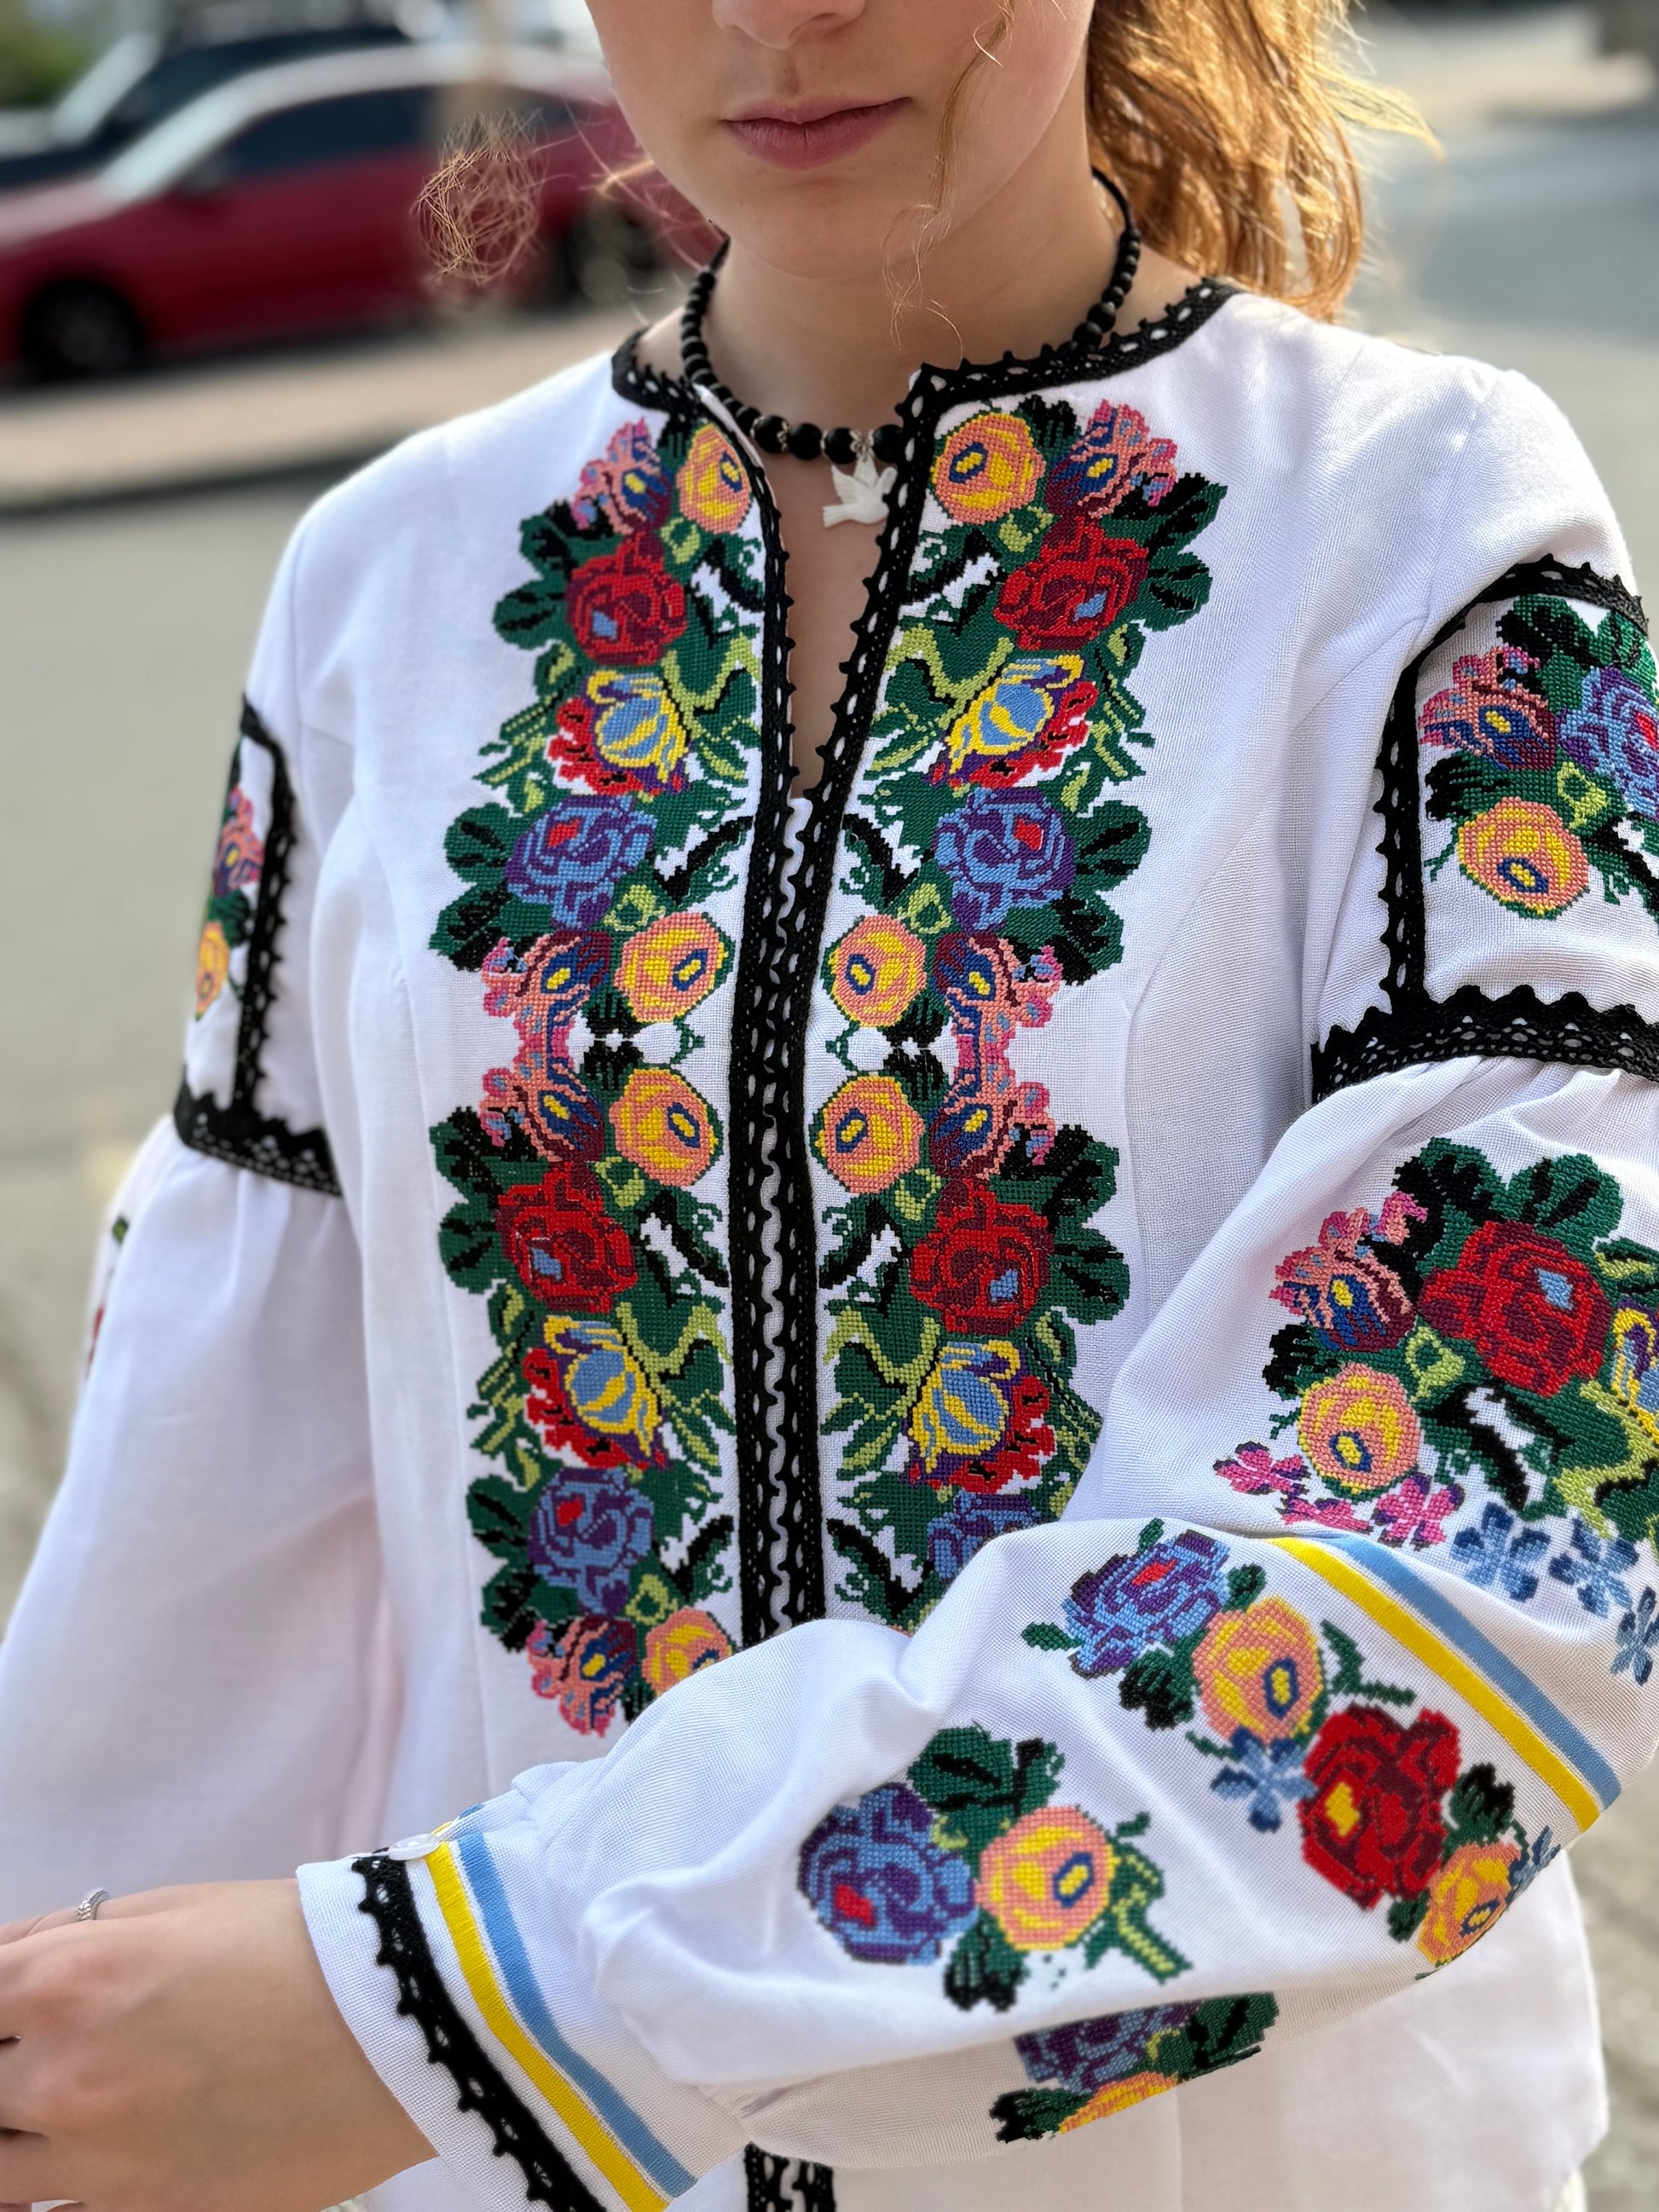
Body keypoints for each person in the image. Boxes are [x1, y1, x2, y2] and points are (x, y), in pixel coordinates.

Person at [0, 1, 1651, 2209]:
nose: (778, 15)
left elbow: (1468, 1550)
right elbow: (206, 1491)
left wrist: (475, 2000)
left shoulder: (1436, 541)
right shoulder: (381, 595)